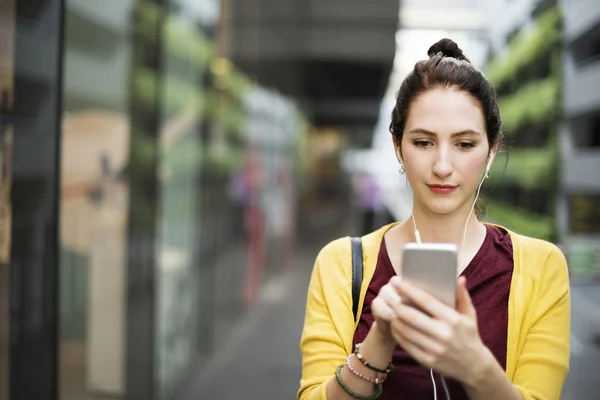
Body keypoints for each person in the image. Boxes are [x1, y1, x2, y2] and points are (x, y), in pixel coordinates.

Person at [298, 38, 570, 400]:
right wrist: (379, 340)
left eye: (465, 144)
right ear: (398, 147)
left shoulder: (541, 268)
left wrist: (475, 365)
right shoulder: (341, 266)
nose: (443, 167)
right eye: (423, 142)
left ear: (491, 151)